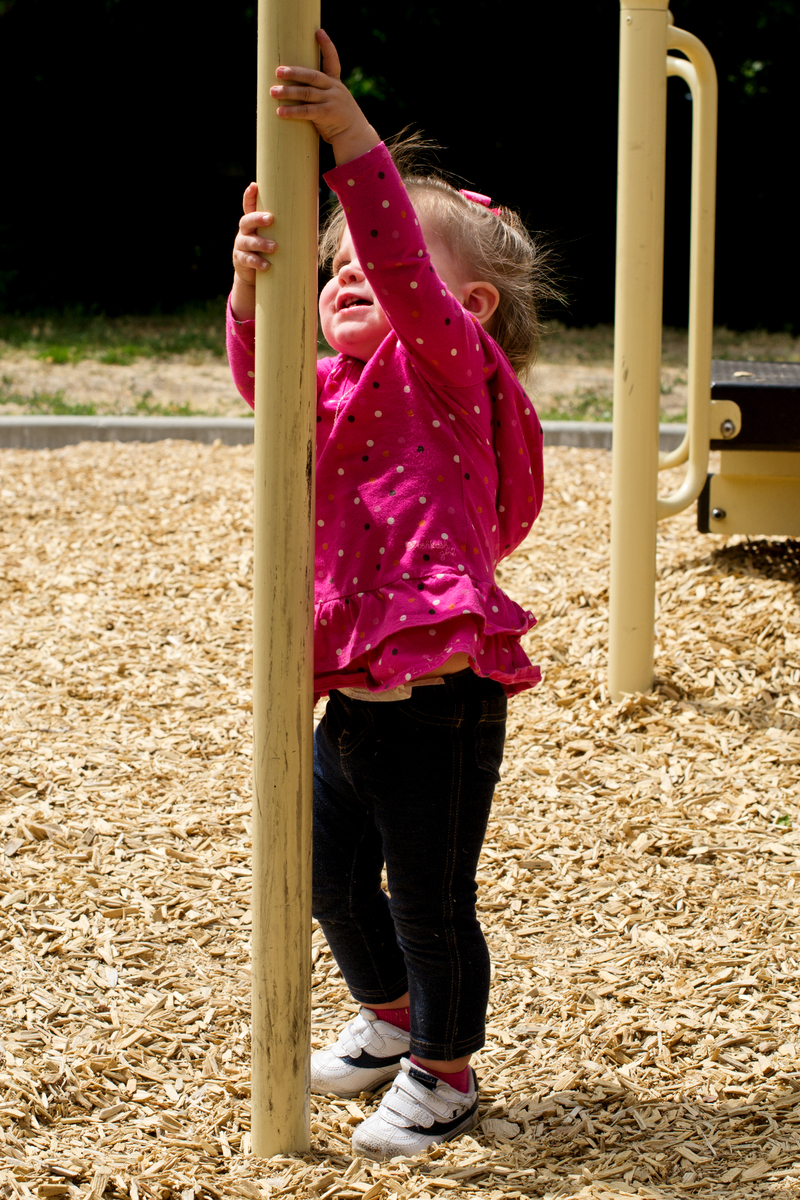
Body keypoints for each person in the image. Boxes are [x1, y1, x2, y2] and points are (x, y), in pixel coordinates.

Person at [227, 29, 554, 1160]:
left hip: (442, 700)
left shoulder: (450, 372)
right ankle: (391, 1018)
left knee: (428, 897)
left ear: (468, 304)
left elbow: (404, 272)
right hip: (357, 696)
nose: (351, 273)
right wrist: (249, 293)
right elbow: (264, 390)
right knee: (322, 871)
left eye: (377, 256)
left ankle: (445, 1073)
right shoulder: (335, 383)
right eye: (334, 271)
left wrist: (350, 138)